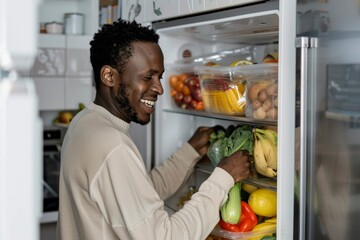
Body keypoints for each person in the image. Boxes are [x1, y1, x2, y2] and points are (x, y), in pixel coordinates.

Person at [56, 19, 250, 240]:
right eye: (148, 77)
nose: (159, 88)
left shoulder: (85, 122)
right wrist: (224, 178)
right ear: (109, 76)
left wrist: (189, 152)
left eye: (160, 77)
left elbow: (136, 196)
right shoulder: (113, 145)